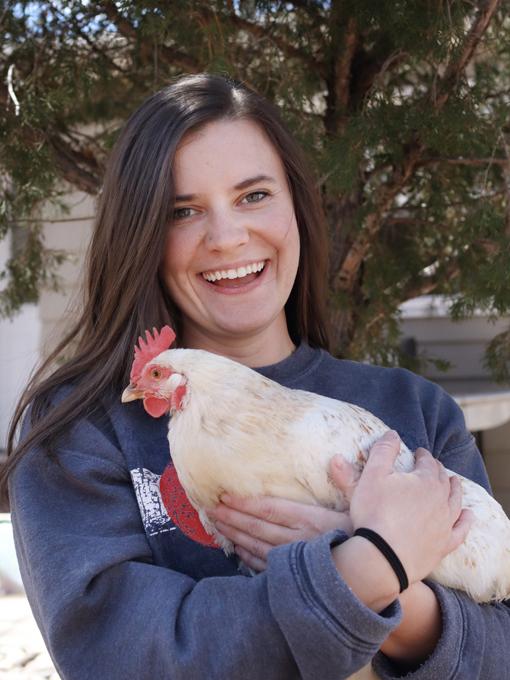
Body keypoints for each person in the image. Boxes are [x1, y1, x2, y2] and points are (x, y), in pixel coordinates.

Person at [1, 73, 508, 680]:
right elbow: (118, 655)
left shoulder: (412, 407)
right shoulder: (81, 430)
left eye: (254, 196)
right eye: (182, 210)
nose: (227, 236)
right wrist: (368, 567)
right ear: (141, 236)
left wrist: (394, 587)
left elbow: (500, 648)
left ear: (296, 205)